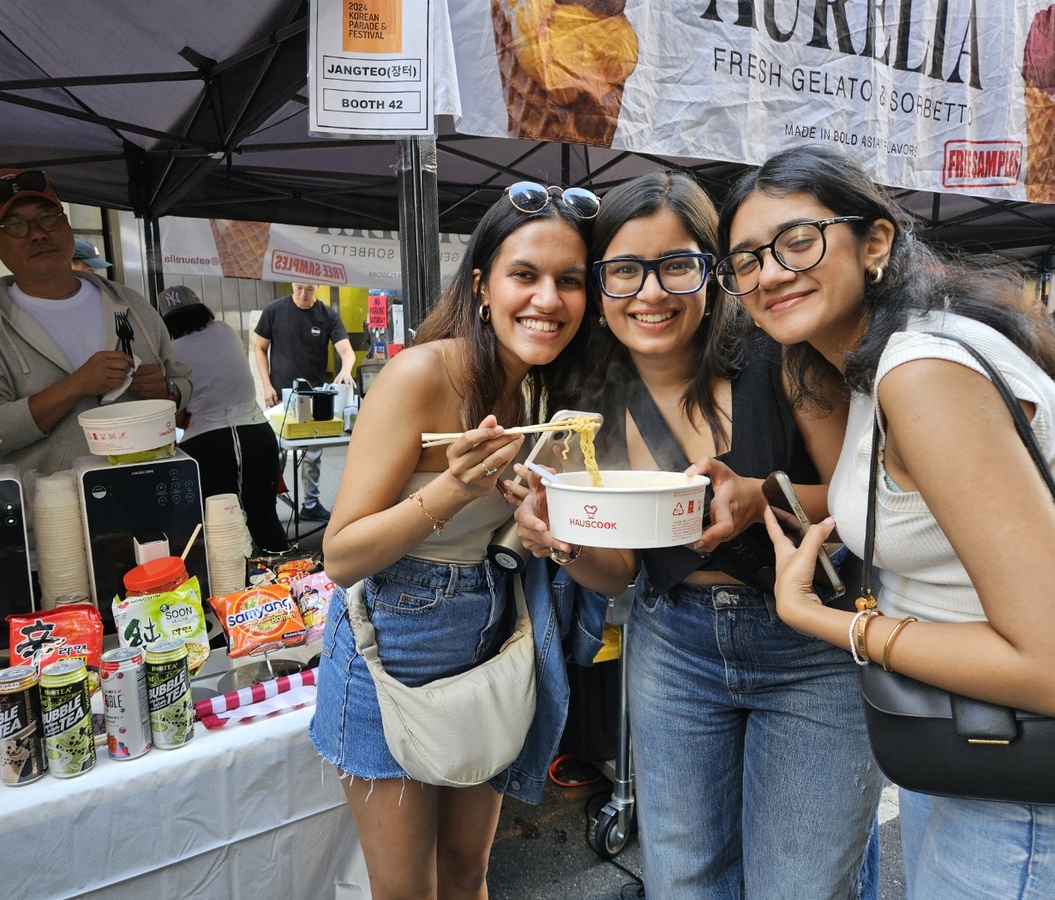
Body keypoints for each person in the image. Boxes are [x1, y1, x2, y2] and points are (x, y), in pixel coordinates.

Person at [513, 171, 882, 899]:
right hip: (673, 642)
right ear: (600, 284)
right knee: (684, 880)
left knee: (801, 888)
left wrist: (761, 497)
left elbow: (861, 506)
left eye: (676, 265)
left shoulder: (783, 357)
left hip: (811, 643)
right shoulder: (587, 399)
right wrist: (561, 536)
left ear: (713, 273)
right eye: (624, 270)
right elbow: (618, 571)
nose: (650, 293)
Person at [715, 143, 1055, 898]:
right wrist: (758, 494)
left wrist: (822, 618)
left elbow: (1050, 665)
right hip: (970, 743)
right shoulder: (890, 356)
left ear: (875, 243)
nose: (769, 273)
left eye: (797, 241)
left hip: (1021, 781)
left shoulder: (922, 372)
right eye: (745, 261)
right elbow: (927, 514)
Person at [311, 182, 599, 899]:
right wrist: (452, 490)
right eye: (524, 275)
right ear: (481, 287)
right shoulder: (421, 373)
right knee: (407, 891)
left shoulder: (544, 389)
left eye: (569, 280)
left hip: (495, 627)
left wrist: (537, 525)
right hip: (391, 638)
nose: (548, 299)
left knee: (468, 872)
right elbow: (340, 556)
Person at [0, 168, 191, 476]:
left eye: (48, 217)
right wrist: (75, 386)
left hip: (152, 484)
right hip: (50, 501)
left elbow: (183, 383)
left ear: (66, 222)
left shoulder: (130, 304)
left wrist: (166, 390)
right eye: (15, 225)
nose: (37, 233)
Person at [158, 285, 288, 553]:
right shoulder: (224, 330)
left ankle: (229, 579)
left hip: (208, 444)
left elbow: (178, 413)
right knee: (264, 518)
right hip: (257, 434)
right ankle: (287, 575)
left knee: (218, 528)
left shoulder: (171, 350)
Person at [253, 282, 357, 523]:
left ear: (317, 286)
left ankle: (310, 504)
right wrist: (266, 385)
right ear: (292, 283)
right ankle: (266, 506)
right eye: (299, 287)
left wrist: (346, 369)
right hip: (280, 395)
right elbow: (259, 348)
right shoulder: (274, 310)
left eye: (309, 289)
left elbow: (346, 350)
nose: (303, 294)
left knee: (312, 455)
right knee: (274, 453)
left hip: (314, 397)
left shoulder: (327, 315)